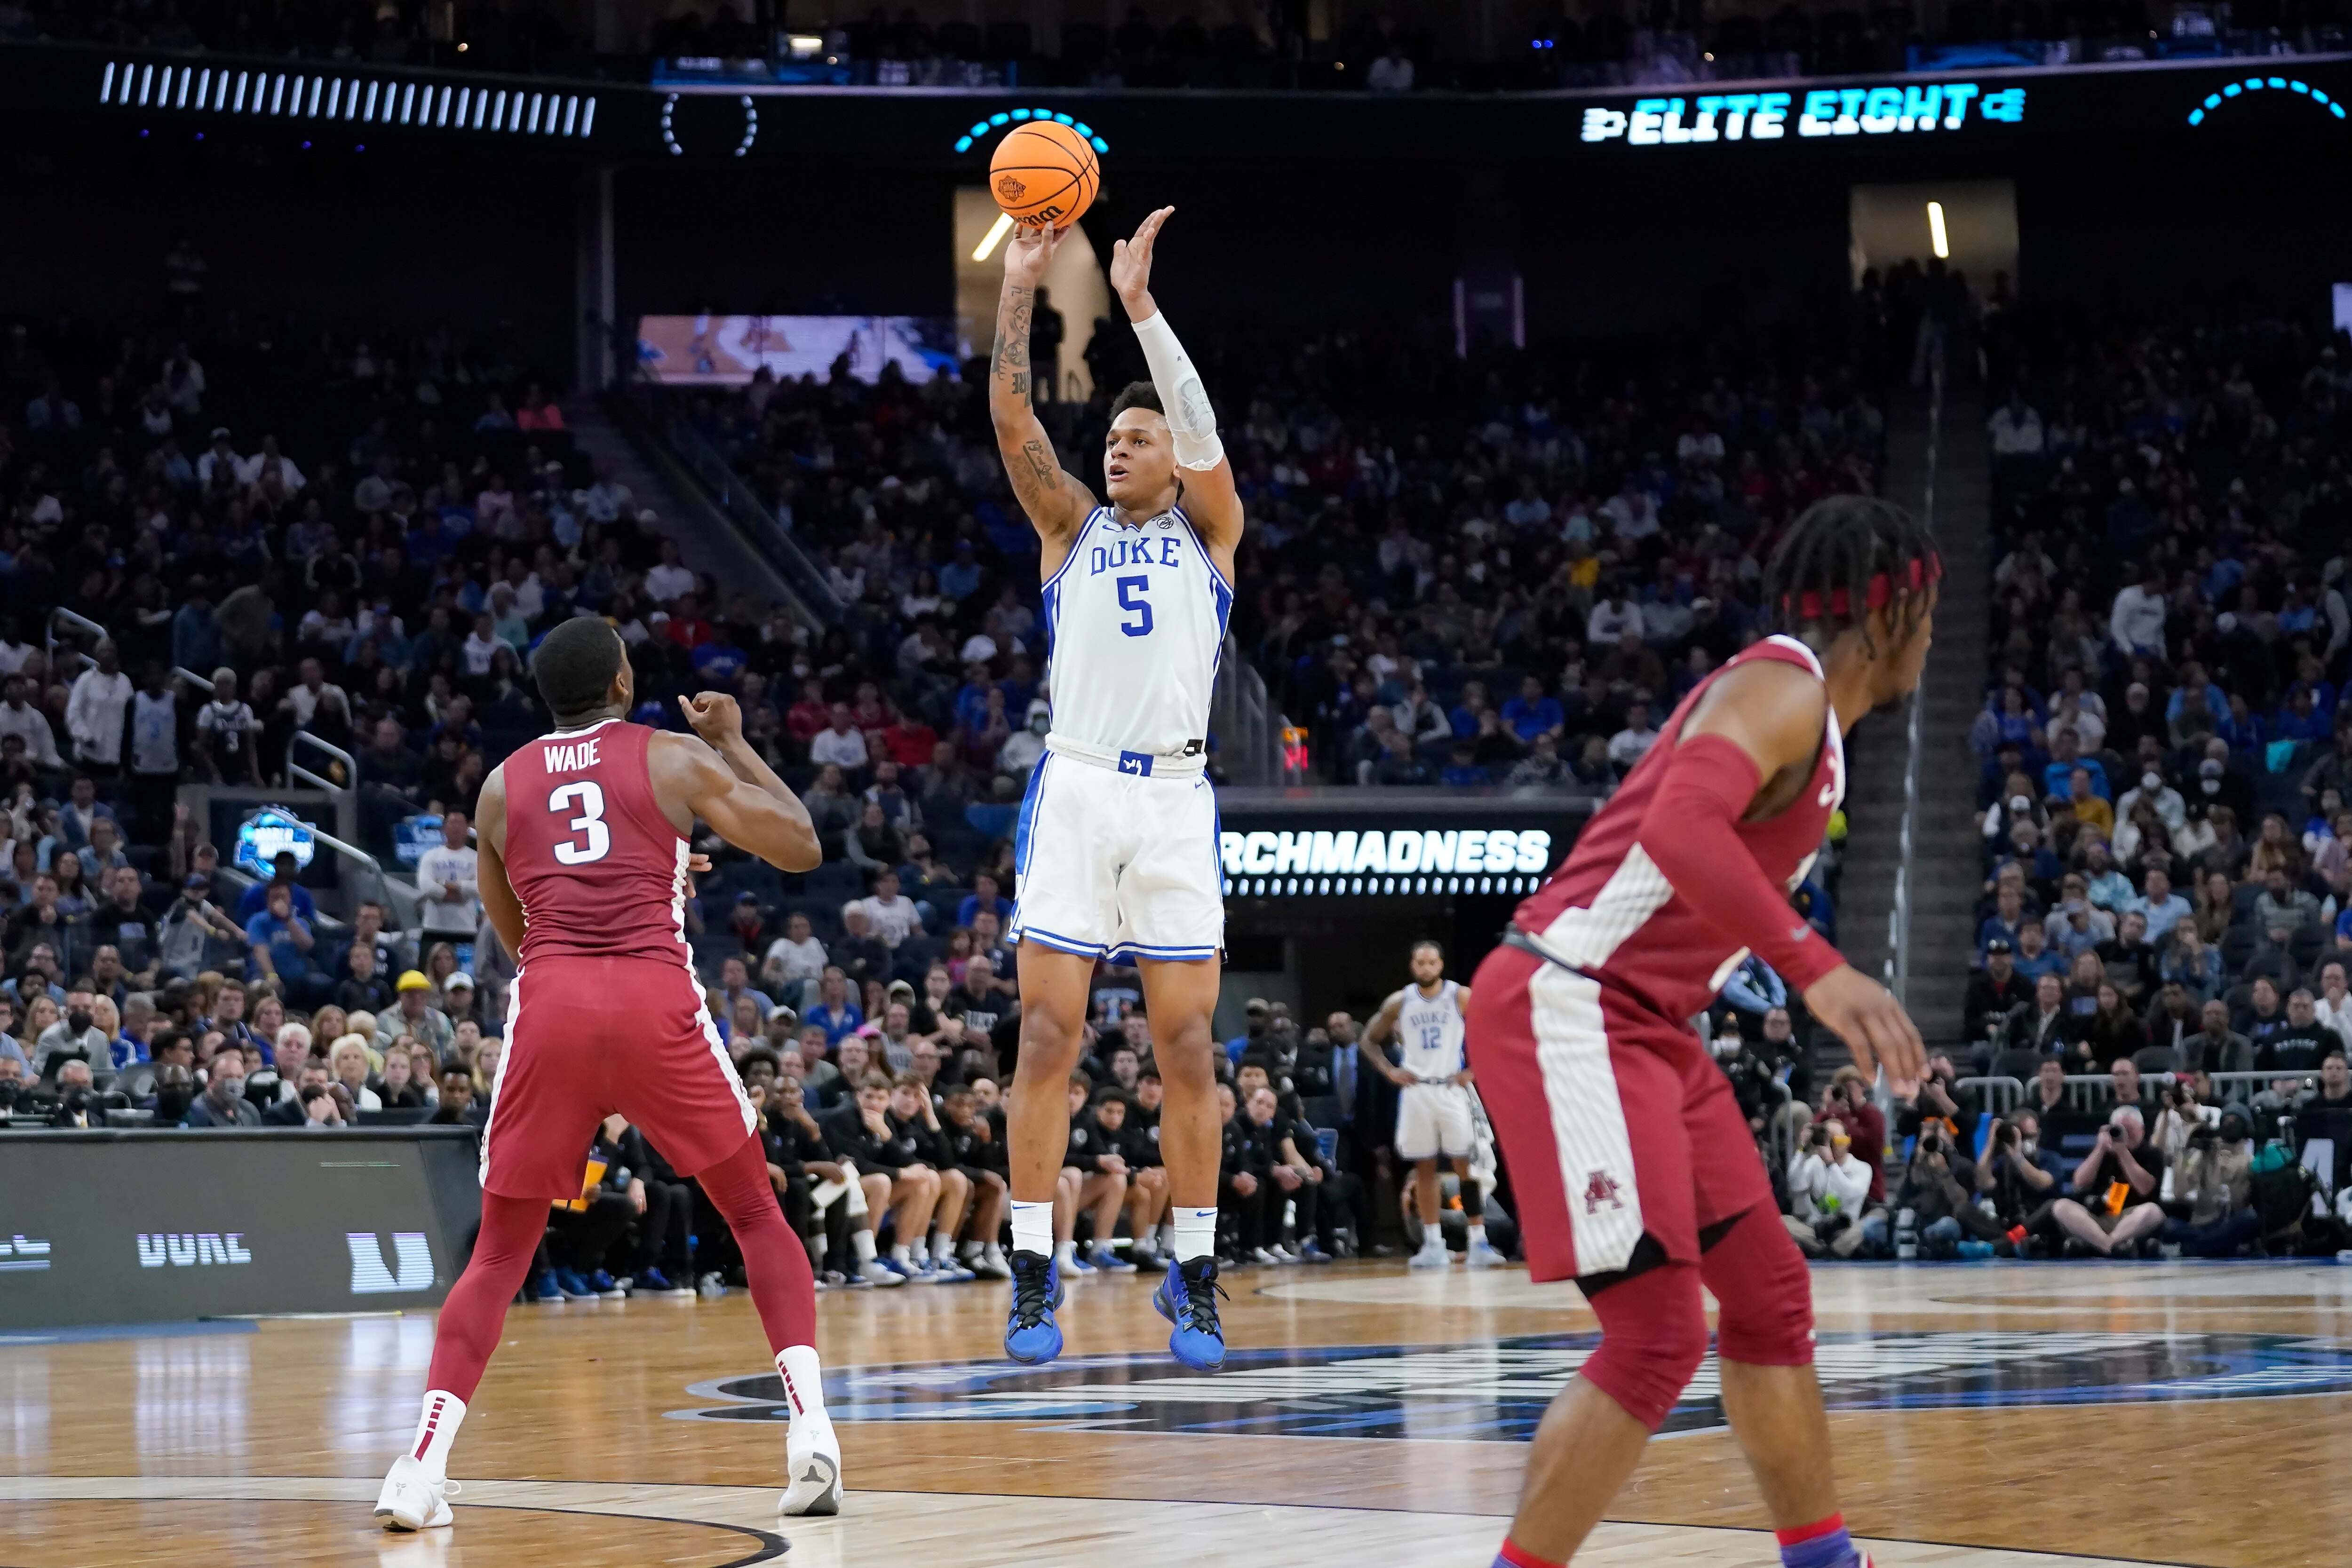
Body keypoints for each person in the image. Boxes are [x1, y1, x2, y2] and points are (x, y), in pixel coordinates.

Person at [1465, 494, 1935, 1568]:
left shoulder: (1810, 723)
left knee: (1769, 1296)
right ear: (1889, 611)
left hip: (1646, 1024)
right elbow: (1680, 824)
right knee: (1658, 1334)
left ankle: (1824, 1560)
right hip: (1570, 1001)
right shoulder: (1780, 687)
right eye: (1928, 610)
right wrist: (1814, 968)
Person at [375, 617, 844, 1533]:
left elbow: (515, 923)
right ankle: (810, 1433)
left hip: (550, 1004)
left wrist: (612, 913)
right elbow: (799, 845)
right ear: (625, 682)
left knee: (500, 1253)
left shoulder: (501, 787)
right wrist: (736, 743)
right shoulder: (672, 757)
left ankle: (419, 1466)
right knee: (752, 1209)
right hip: (652, 998)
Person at [988, 208, 1239, 1372]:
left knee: (1189, 1051)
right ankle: (1033, 1267)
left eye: (1137, 440)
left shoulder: (1211, 534)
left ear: (1173, 458)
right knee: (1049, 1031)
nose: (1118, 451)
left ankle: (1193, 1272)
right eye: (1113, 441)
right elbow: (1012, 417)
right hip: (1081, 789)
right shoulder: (1068, 528)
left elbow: (1198, 433)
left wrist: (1140, 307)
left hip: (1177, 804)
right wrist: (1021, 289)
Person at [1361, 941, 1503, 1269]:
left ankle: (1479, 1241)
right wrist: (1389, 1070)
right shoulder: (1401, 1001)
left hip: (1451, 1087)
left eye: (1431, 962)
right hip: (1417, 1091)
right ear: (1413, 966)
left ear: (1441, 965)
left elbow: (1492, 1028)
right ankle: (1433, 1243)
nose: (1426, 968)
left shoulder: (1460, 996)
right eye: (1420, 963)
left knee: (1465, 1167)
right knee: (1423, 1168)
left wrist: (1476, 1069)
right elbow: (1368, 1039)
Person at [2048, 1106, 2169, 1257]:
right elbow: (2080, 1182)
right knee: (2061, 1206)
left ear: (2142, 1131)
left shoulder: (2152, 1154)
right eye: (2121, 1130)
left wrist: (2123, 1152)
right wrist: (2100, 1148)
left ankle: (2100, 1246)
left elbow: (2145, 1188)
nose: (2126, 1134)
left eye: (2131, 1130)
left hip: (2131, 1217)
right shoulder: (2102, 1152)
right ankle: (2111, 1248)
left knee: (2153, 1212)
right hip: (2100, 1217)